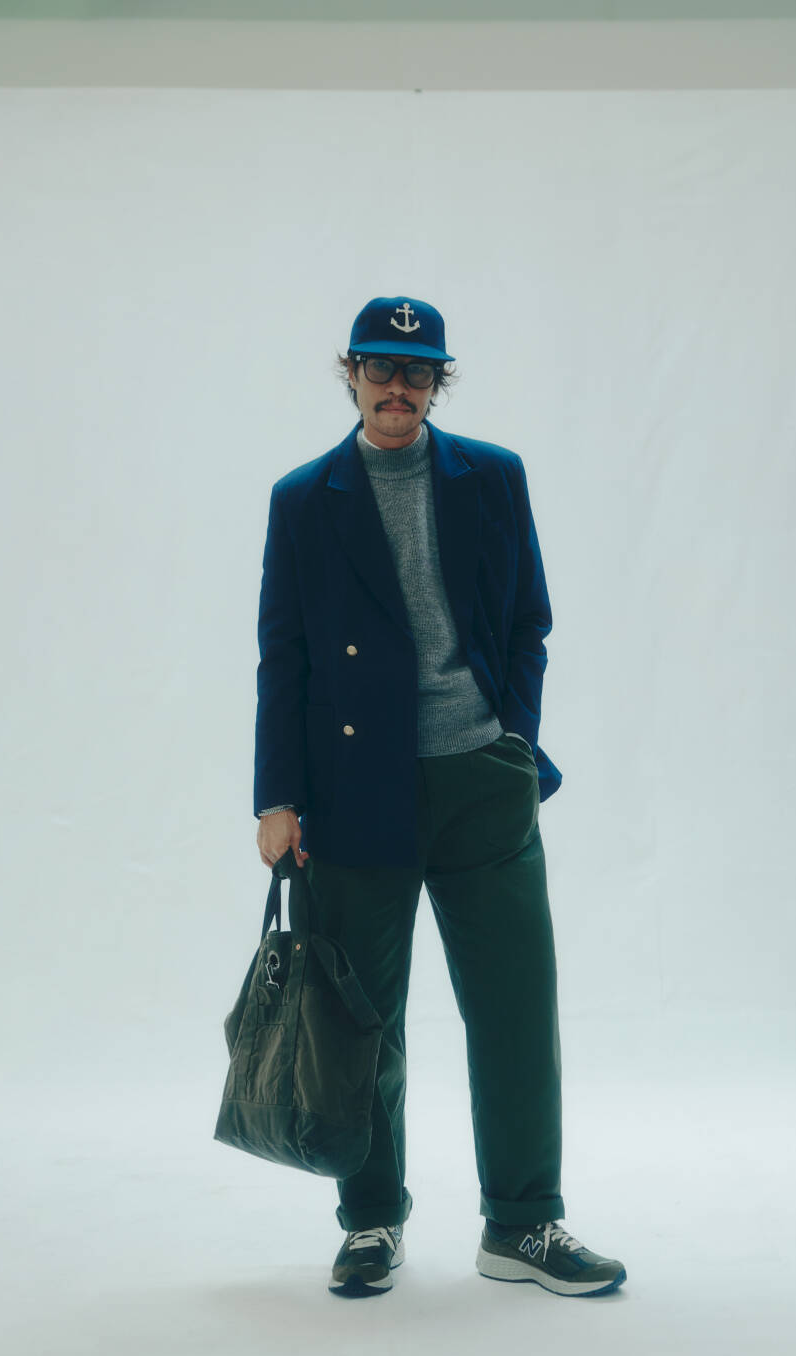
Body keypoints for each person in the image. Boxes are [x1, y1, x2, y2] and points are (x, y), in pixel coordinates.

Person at [254, 294, 626, 1300]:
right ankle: (372, 1221)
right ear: (351, 375)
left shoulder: (492, 477)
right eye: (379, 368)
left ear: (436, 383)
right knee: (364, 1020)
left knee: (516, 1012)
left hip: (481, 779)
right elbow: (283, 655)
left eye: (416, 373)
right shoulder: (305, 498)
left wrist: (515, 744)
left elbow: (529, 622)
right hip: (354, 791)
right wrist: (277, 795)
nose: (397, 387)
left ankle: (523, 1224)